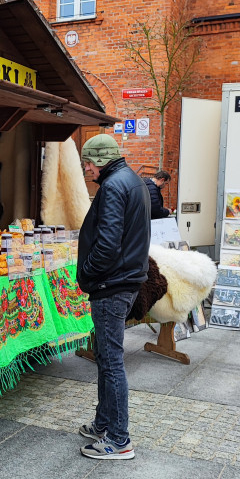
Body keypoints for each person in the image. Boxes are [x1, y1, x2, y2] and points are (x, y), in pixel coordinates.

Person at [76, 133, 150, 460]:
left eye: (88, 163)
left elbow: (107, 244)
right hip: (124, 281)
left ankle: (119, 440)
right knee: (107, 359)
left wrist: (89, 273)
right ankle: (103, 423)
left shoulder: (113, 186)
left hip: (112, 284)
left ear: (101, 160)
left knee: (111, 362)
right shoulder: (131, 180)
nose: (87, 170)